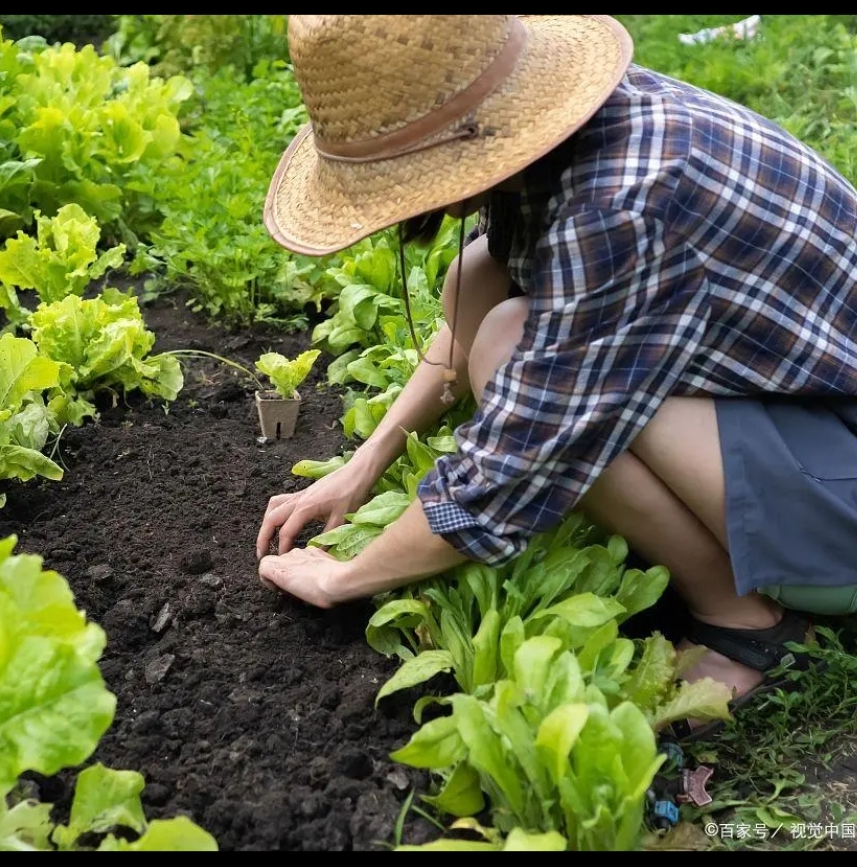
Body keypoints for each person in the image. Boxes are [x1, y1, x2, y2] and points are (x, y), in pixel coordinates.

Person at [255, 14, 857, 741]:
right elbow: (461, 330)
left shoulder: (618, 204)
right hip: (799, 420)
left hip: (842, 503)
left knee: (513, 347)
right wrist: (360, 467)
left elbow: (524, 455)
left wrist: (347, 578)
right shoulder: (565, 136)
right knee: (475, 274)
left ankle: (745, 620)